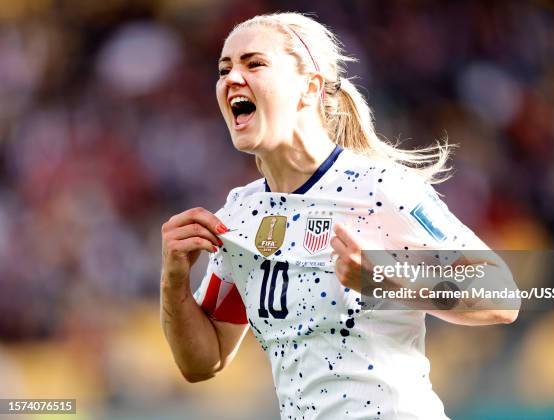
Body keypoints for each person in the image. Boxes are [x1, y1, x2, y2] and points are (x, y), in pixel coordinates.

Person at [160, 12, 518, 419]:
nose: (231, 79)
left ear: (309, 88)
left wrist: (381, 277)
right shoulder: (240, 217)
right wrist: (174, 282)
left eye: (254, 63)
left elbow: (502, 296)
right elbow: (204, 361)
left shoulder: (379, 188)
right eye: (224, 69)